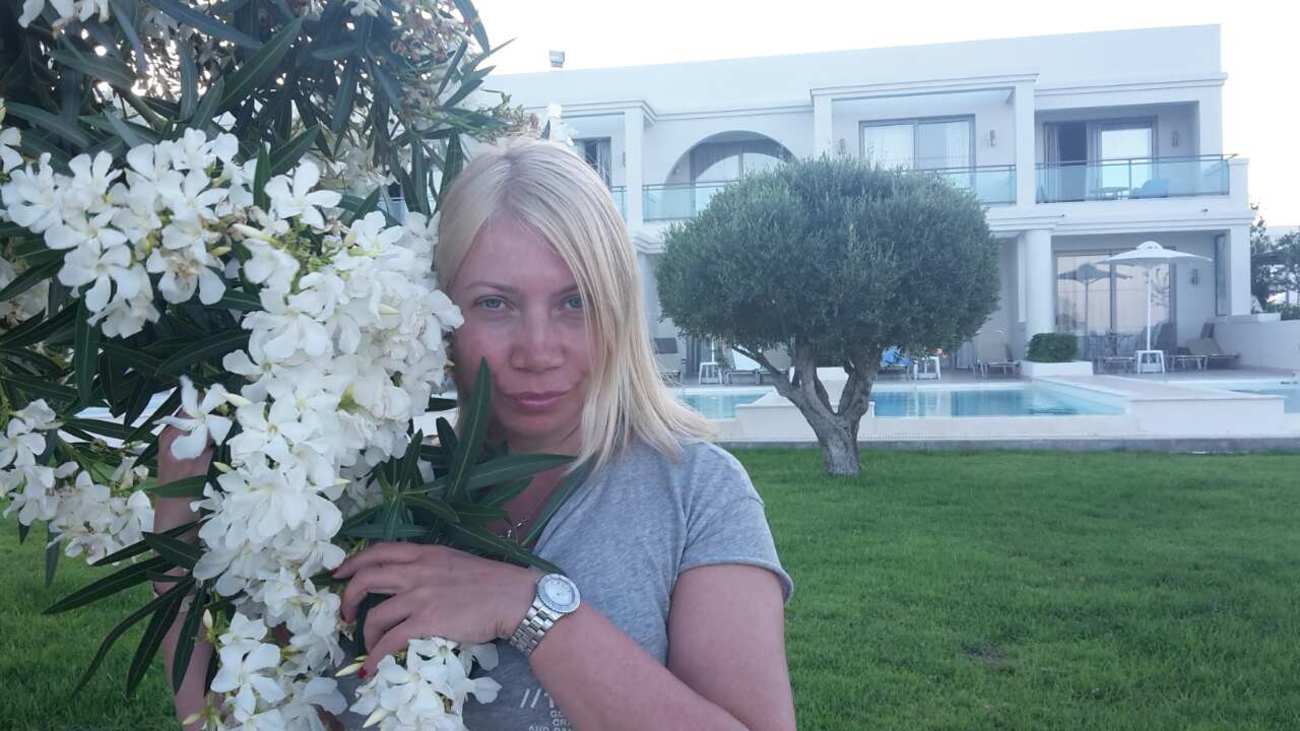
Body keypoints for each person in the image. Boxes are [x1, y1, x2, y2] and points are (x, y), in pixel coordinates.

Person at [155, 138, 796, 730]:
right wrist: (180, 542)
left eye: (575, 302)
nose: (537, 350)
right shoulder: (360, 493)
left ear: (619, 311)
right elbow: (236, 716)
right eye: (495, 303)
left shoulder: (695, 493)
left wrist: (528, 610)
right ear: (441, 315)